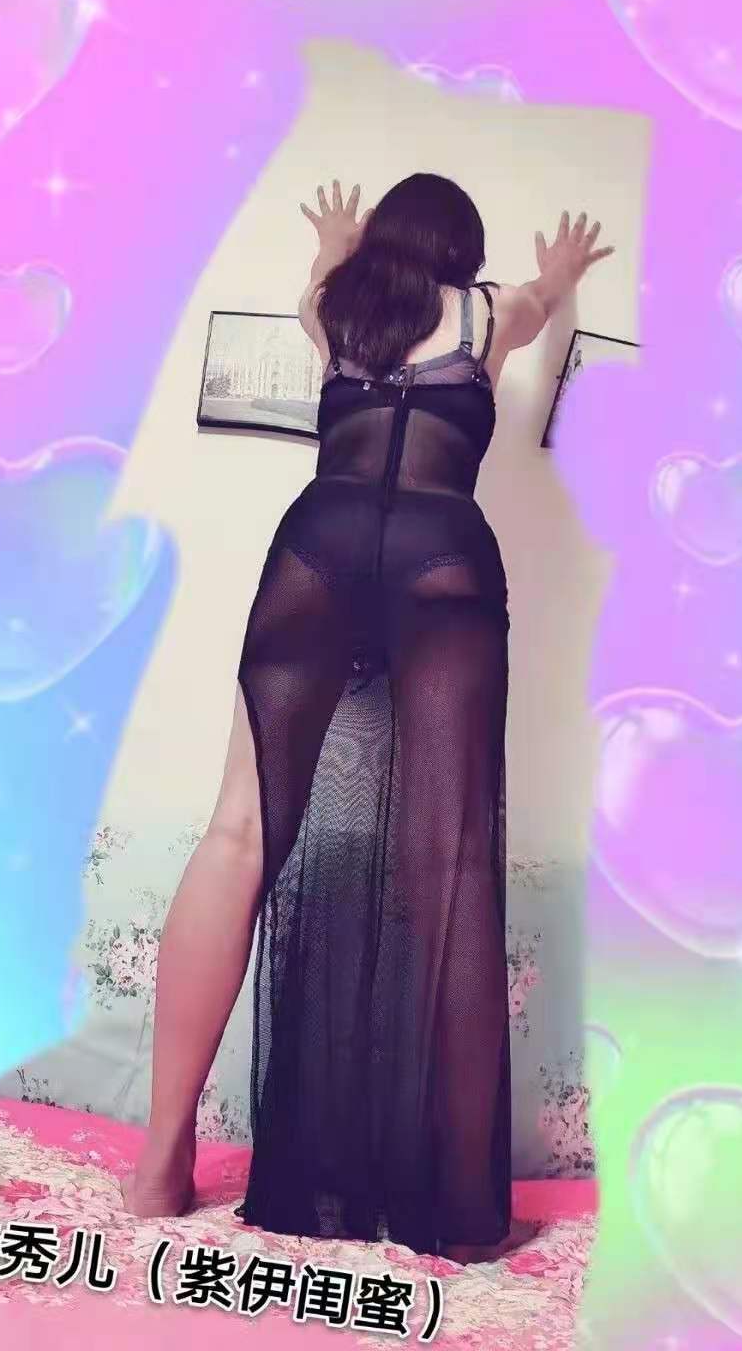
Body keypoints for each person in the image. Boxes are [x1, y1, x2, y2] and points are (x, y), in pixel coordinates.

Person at [121, 173, 613, 1262]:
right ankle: (450, 1206)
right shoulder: (489, 313)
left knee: (238, 833)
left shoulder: (333, 307)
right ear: (462, 251)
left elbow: (323, 281)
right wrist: (561, 276)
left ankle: (159, 1164)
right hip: (443, 559)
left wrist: (337, 245)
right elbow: (538, 304)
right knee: (450, 864)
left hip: (320, 547)